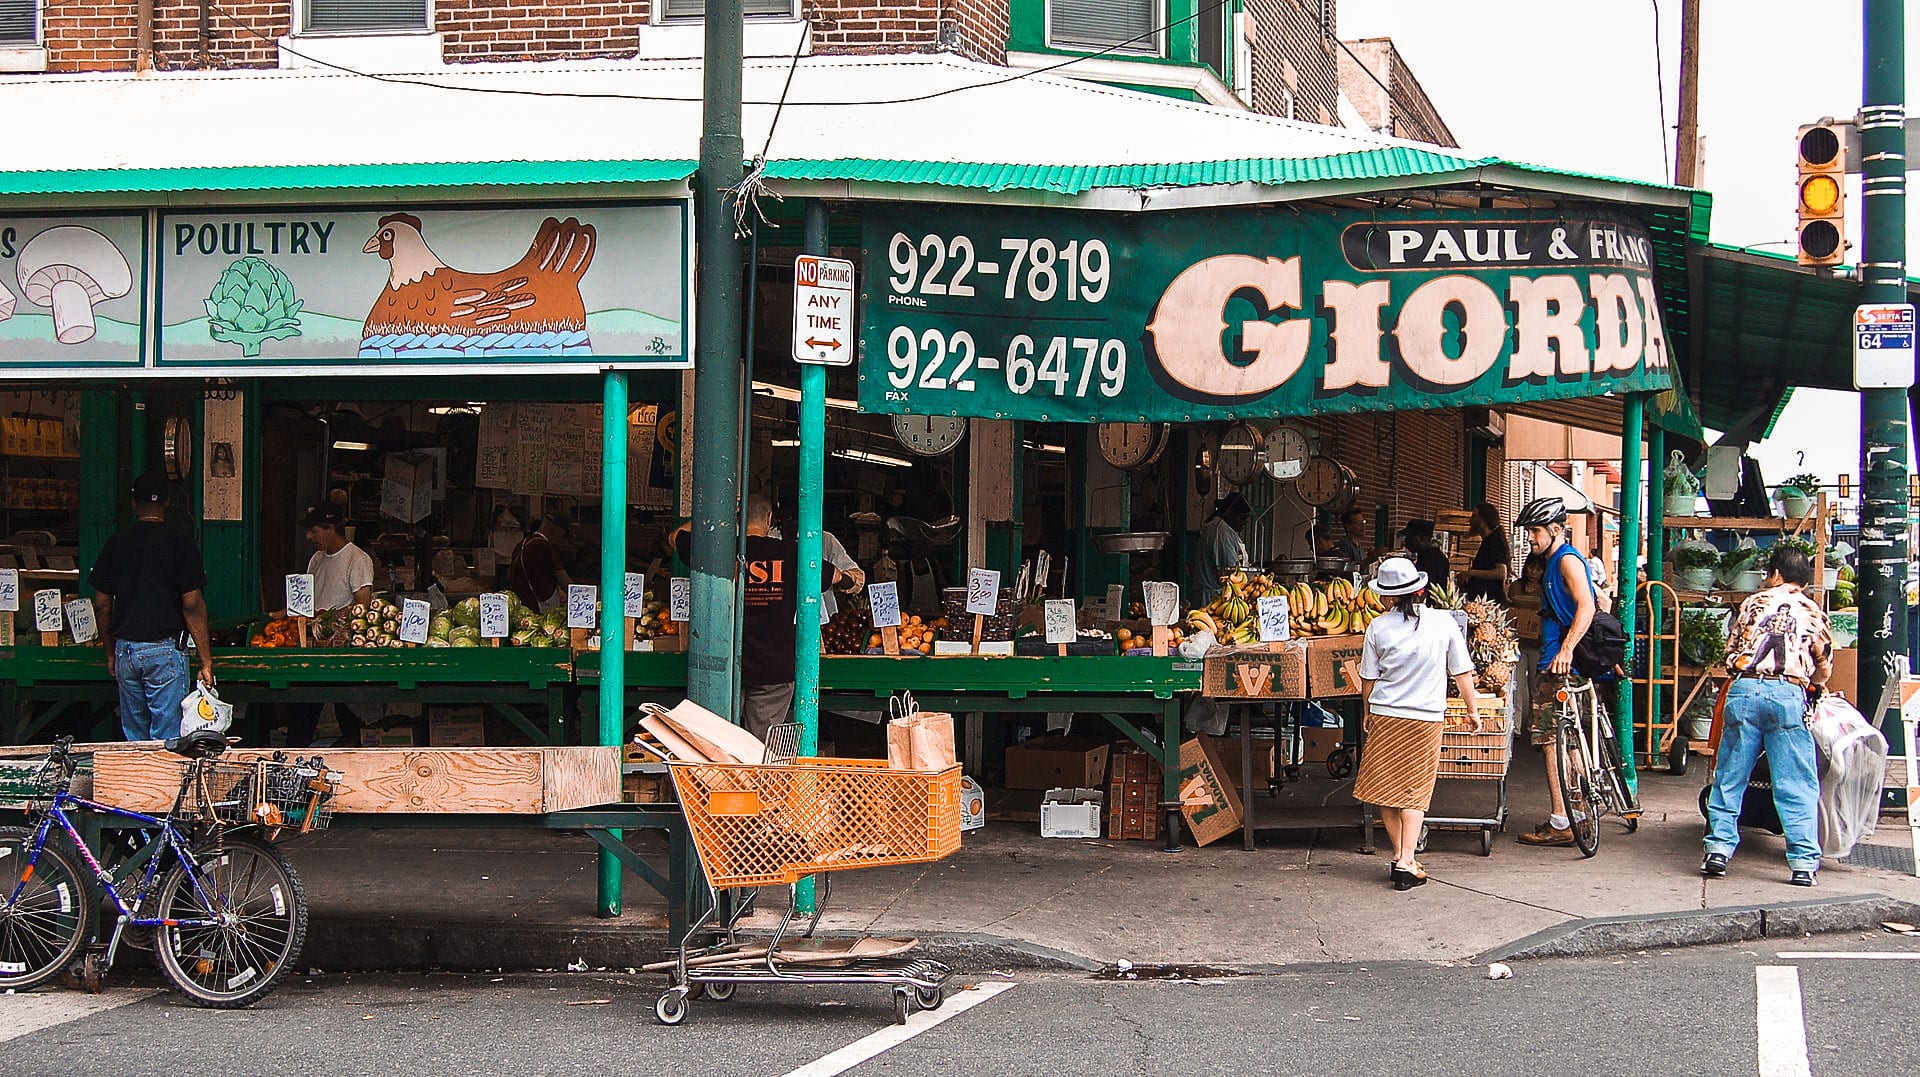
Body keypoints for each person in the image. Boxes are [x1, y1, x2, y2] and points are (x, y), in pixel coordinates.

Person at [1702, 544, 1832, 886]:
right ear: (1803, 580)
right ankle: (1803, 863)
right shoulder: (1813, 612)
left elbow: (1732, 650)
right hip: (1788, 693)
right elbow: (1823, 667)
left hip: (1744, 690)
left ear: (1774, 574)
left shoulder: (1752, 603)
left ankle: (1718, 850)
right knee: (1796, 782)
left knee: (1731, 775)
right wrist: (1815, 685)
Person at [1353, 557, 1482, 891]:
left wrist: (1366, 710)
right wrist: (1473, 709)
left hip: (1386, 715)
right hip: (1425, 719)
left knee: (1383, 787)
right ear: (1419, 590)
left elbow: (1368, 676)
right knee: (1415, 790)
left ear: (1389, 596)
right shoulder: (1443, 622)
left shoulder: (1378, 627)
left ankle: (1401, 854)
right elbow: (1461, 671)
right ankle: (1406, 860)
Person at [674, 493, 839, 739]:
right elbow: (834, 576)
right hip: (774, 666)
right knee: (760, 746)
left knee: (719, 741)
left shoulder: (719, 551)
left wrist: (718, 511)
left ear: (737, 518)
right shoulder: (792, 553)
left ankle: (725, 778)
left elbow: (676, 536)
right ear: (770, 518)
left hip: (726, 664)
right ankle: (756, 778)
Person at [88, 473, 214, 742]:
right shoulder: (180, 543)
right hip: (164, 649)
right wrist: (206, 661)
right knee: (166, 739)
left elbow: (101, 604)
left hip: (127, 651)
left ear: (135, 503)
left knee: (135, 737)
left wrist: (110, 653)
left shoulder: (116, 543)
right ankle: (162, 785)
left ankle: (138, 783)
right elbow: (191, 604)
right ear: (167, 503)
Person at [1513, 497, 1602, 847]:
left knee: (1550, 742)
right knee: (1566, 742)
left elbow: (1589, 605)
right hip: (1560, 660)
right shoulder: (1552, 562)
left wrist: (1566, 650)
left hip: (1559, 664)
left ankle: (1562, 820)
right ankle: (1578, 810)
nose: (1530, 538)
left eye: (1535, 531)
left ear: (1554, 529)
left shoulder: (1565, 560)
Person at [287, 503, 376, 747]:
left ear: (330, 528)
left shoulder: (357, 559)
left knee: (348, 710)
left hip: (343, 648)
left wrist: (328, 617)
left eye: (314, 531)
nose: (309, 537)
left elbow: (363, 606)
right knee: (304, 711)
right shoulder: (316, 559)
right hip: (313, 645)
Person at [507, 514, 574, 612]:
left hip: (522, 605)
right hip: (541, 604)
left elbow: (509, 575)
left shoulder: (520, 544)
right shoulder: (545, 546)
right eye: (563, 535)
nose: (561, 539)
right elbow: (563, 580)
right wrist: (580, 595)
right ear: (558, 530)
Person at [1195, 493, 1252, 605]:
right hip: (1213, 599)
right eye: (1242, 518)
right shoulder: (1221, 532)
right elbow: (1230, 571)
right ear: (1229, 514)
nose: (1245, 522)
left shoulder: (1224, 528)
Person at [1459, 503, 1510, 604]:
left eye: (1474, 516)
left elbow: (1501, 573)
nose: (1470, 521)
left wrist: (1471, 573)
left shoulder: (1495, 542)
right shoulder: (1487, 541)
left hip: (1490, 602)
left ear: (1484, 520)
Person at [1398, 519, 1452, 591]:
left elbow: (1425, 587)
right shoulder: (1427, 555)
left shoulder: (1432, 559)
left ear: (1422, 539)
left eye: (1409, 537)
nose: (1405, 541)